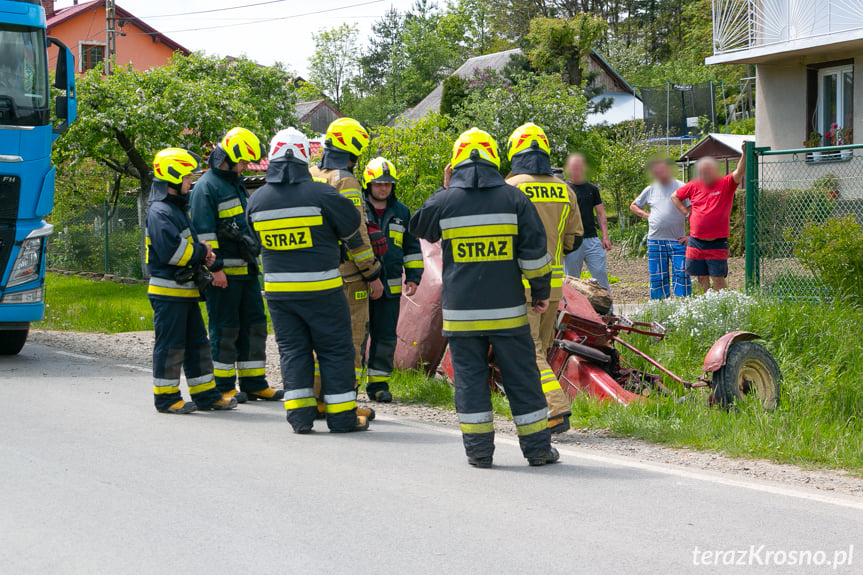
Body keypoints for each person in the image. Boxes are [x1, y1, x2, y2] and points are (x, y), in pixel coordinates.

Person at [410, 128, 559, 469]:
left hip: (461, 316)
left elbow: (419, 225)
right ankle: (537, 450)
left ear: (455, 163)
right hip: (508, 313)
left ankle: (479, 452)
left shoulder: (446, 202)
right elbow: (535, 256)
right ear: (495, 157)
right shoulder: (515, 199)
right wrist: (539, 294)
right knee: (523, 378)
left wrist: (445, 188)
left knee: (470, 382)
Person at [246, 128, 371, 433]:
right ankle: (342, 419)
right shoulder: (322, 194)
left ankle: (300, 418)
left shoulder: (257, 200)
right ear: (305, 156)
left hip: (279, 295)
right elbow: (351, 224)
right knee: (335, 350)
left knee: (294, 352)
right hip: (323, 291)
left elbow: (252, 242)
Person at [190, 128, 283, 405]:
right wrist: (215, 268)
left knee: (254, 326)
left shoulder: (234, 183)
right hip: (224, 275)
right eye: (242, 163)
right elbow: (204, 235)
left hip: (247, 271)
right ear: (228, 158)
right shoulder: (206, 187)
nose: (244, 169)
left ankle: (254, 383)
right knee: (225, 329)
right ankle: (224, 386)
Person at [504, 123, 583, 434]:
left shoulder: (510, 187)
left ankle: (555, 408)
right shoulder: (565, 189)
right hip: (552, 286)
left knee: (527, 350)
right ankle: (540, 411)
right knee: (542, 347)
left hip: (520, 284)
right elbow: (573, 241)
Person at [145, 148, 237, 414]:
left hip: (183, 292)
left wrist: (201, 252)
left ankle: (207, 396)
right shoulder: (160, 211)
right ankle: (166, 398)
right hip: (168, 292)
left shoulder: (175, 209)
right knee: (171, 347)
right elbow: (172, 252)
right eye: (186, 177)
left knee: (198, 345)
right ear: (172, 177)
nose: (190, 182)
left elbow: (187, 245)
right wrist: (202, 252)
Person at [310, 118, 382, 419]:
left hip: (316, 272)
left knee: (317, 340)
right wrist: (372, 271)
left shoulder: (311, 173)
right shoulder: (346, 181)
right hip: (348, 277)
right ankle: (345, 403)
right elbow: (355, 232)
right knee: (350, 339)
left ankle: (316, 400)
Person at [362, 157, 424, 403]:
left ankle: (378, 384)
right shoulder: (357, 208)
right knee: (357, 335)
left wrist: (415, 276)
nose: (383, 188)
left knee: (385, 336)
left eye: (388, 184)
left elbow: (411, 246)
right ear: (369, 183)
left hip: (391, 287)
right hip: (362, 284)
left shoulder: (401, 212)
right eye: (378, 183)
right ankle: (349, 383)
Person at [671, 148, 747, 292]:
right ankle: (705, 307)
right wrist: (686, 213)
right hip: (696, 241)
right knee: (701, 277)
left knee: (718, 278)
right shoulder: (694, 185)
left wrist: (744, 153)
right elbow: (675, 196)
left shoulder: (726, 183)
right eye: (702, 171)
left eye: (708, 170)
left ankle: (722, 306)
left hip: (717, 242)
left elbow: (739, 172)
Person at [630, 159, 692, 299]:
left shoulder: (681, 187)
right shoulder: (651, 188)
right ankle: (660, 306)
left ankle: (683, 304)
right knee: (657, 276)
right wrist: (647, 215)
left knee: (682, 273)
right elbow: (634, 205)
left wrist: (691, 233)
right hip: (655, 240)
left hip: (677, 239)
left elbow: (691, 209)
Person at [562, 154, 613, 298]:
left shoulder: (592, 189)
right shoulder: (564, 189)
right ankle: (571, 313)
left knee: (600, 274)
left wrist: (605, 237)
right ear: (568, 169)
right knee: (571, 279)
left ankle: (607, 309)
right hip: (572, 240)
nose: (576, 170)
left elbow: (600, 213)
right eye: (573, 168)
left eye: (578, 168)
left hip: (591, 239)